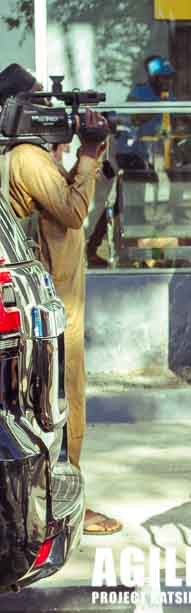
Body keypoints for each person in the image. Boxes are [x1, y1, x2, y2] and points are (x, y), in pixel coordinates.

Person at [0, 64, 122, 535]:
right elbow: (72, 212)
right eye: (39, 102)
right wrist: (88, 156)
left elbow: (65, 200)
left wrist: (81, 158)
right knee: (59, 402)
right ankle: (63, 504)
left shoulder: (32, 155)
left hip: (57, 297)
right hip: (48, 305)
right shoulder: (27, 157)